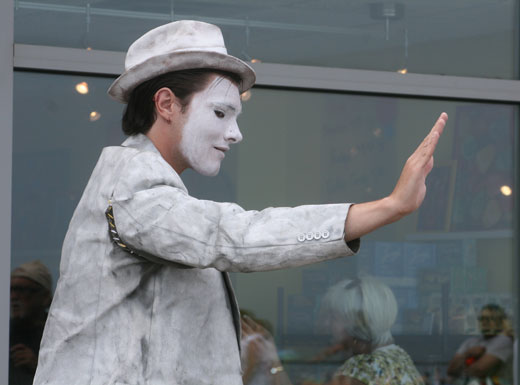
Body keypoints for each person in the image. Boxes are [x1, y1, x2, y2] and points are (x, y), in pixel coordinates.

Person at [33, 20, 447, 385]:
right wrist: (390, 207)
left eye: (235, 117)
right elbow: (234, 236)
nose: (234, 133)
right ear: (166, 104)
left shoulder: (145, 184)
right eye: (219, 113)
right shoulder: (131, 185)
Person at [317, 277, 424, 385]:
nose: (327, 323)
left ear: (357, 324)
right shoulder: (398, 356)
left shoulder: (358, 369)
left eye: (334, 317)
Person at [447, 304, 513, 385]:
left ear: (499, 321)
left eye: (489, 319)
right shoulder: (471, 342)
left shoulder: (503, 341)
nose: (484, 322)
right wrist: (468, 354)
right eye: (482, 319)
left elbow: (478, 370)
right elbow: (451, 370)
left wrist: (460, 368)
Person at [9, 260, 52, 385]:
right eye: (11, 290)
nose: (13, 297)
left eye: (22, 290)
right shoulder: (6, 332)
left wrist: (39, 365)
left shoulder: (59, 336)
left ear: (45, 298)